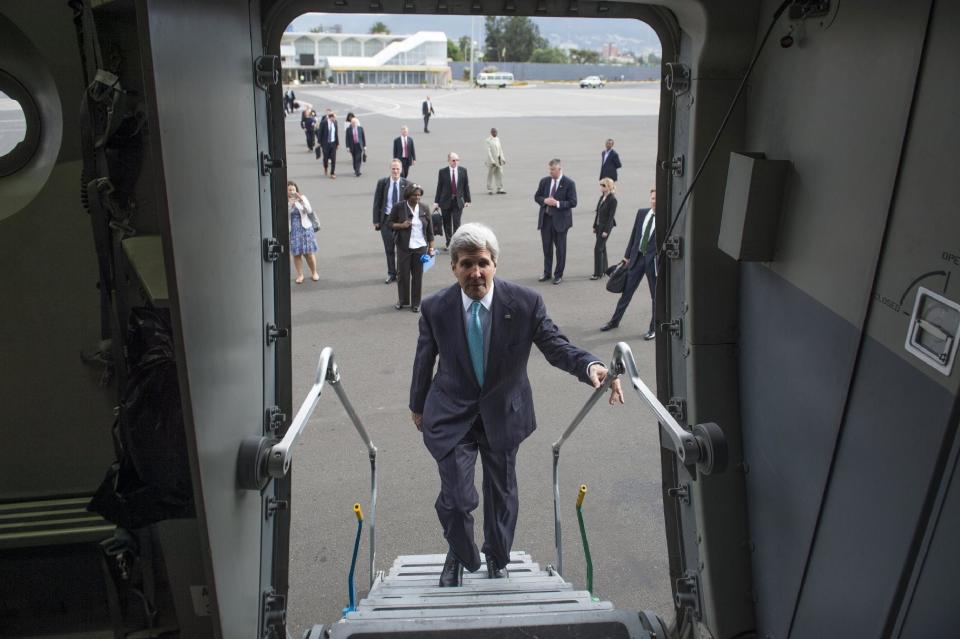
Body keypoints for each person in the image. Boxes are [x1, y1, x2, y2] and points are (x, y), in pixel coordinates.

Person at [409, 223, 624, 587]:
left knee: (501, 494)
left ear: (495, 263)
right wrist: (418, 405)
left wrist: (592, 366)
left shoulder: (525, 303)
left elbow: (556, 346)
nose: (475, 272)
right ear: (453, 267)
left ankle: (497, 555)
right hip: (452, 413)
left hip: (503, 412)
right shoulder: (435, 307)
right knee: (457, 499)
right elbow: (424, 358)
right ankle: (460, 551)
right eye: (466, 264)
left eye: (482, 263)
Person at [601, 188, 657, 340]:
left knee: (655, 296)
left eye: (656, 198)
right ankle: (614, 321)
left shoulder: (665, 217)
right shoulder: (642, 213)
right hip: (637, 258)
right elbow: (634, 235)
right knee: (627, 293)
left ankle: (654, 328)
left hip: (653, 262)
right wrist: (627, 256)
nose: (654, 201)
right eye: (652, 198)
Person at [389, 183, 435, 312]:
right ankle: (403, 300)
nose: (417, 197)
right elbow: (389, 223)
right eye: (415, 195)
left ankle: (416, 303)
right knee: (402, 275)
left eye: (419, 195)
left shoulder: (424, 208)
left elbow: (430, 231)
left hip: (420, 247)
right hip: (404, 247)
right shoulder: (399, 207)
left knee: (417, 276)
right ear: (408, 196)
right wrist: (401, 226)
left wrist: (431, 248)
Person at [533, 159, 577, 285]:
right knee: (546, 248)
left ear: (559, 169)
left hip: (561, 222)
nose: (550, 172)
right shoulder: (545, 181)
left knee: (560, 249)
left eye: (553, 170)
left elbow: (573, 202)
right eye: (550, 169)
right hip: (546, 220)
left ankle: (558, 275)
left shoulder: (569, 183)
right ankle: (547, 273)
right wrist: (544, 200)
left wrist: (557, 203)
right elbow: (537, 196)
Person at [372, 159, 408, 284]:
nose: (395, 171)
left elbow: (412, 204)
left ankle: (400, 273)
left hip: (402, 222)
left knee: (402, 249)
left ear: (401, 170)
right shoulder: (382, 183)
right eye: (393, 168)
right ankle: (391, 273)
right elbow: (377, 202)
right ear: (390, 169)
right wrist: (376, 220)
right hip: (386, 220)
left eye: (397, 169)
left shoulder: (407, 184)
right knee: (389, 249)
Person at [433, 152, 471, 250]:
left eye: (457, 160)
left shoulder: (463, 171)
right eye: (453, 160)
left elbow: (466, 186)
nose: (455, 162)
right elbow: (439, 187)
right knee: (447, 223)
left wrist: (468, 200)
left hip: (458, 201)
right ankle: (449, 242)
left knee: (457, 223)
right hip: (445, 201)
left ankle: (456, 243)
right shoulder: (442, 172)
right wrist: (436, 202)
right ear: (449, 161)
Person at [287, 181, 319, 283]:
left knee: (309, 253)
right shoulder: (285, 201)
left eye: (293, 189)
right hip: (294, 230)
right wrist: (290, 205)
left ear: (296, 190)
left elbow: (309, 210)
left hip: (305, 228)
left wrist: (300, 201)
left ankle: (314, 272)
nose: (291, 192)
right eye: (289, 190)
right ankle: (300, 275)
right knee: (296, 254)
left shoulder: (302, 198)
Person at [591, 178, 618, 279]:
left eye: (603, 185)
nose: (601, 187)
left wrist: (606, 231)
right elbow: (598, 213)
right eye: (601, 185)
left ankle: (598, 273)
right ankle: (604, 269)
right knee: (602, 248)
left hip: (605, 227)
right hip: (599, 226)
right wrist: (594, 226)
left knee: (598, 249)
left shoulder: (613, 200)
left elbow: (611, 217)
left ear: (608, 187)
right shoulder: (602, 197)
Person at [484, 128, 506, 195]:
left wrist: (503, 158)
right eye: (493, 132)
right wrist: (492, 161)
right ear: (491, 132)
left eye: (496, 132)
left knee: (499, 174)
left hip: (498, 160)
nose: (495, 133)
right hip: (492, 161)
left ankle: (500, 188)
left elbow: (500, 149)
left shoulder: (497, 139)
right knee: (490, 175)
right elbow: (488, 152)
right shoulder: (488, 140)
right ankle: (489, 189)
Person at [319, 111, 338, 178]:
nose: (335, 119)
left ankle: (332, 173)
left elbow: (336, 134)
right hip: (325, 143)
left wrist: (337, 143)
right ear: (331, 117)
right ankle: (325, 167)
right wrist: (319, 143)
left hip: (333, 143)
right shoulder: (323, 123)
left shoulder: (335, 123)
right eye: (334, 118)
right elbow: (320, 133)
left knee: (333, 158)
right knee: (325, 158)